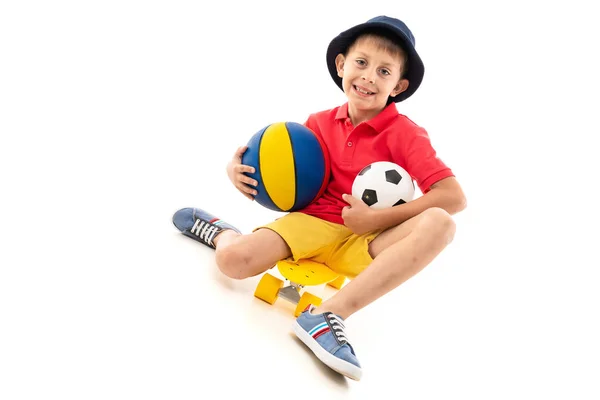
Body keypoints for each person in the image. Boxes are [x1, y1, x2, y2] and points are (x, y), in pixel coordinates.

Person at [172, 15, 466, 381]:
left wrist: (376, 221)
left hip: (368, 241)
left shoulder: (406, 134)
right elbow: (287, 178)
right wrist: (240, 172)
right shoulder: (317, 123)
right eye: (361, 63)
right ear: (342, 64)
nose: (369, 77)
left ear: (399, 86)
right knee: (232, 261)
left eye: (384, 71)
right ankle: (223, 233)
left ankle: (327, 317)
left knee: (442, 222)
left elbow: (453, 196)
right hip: (311, 224)